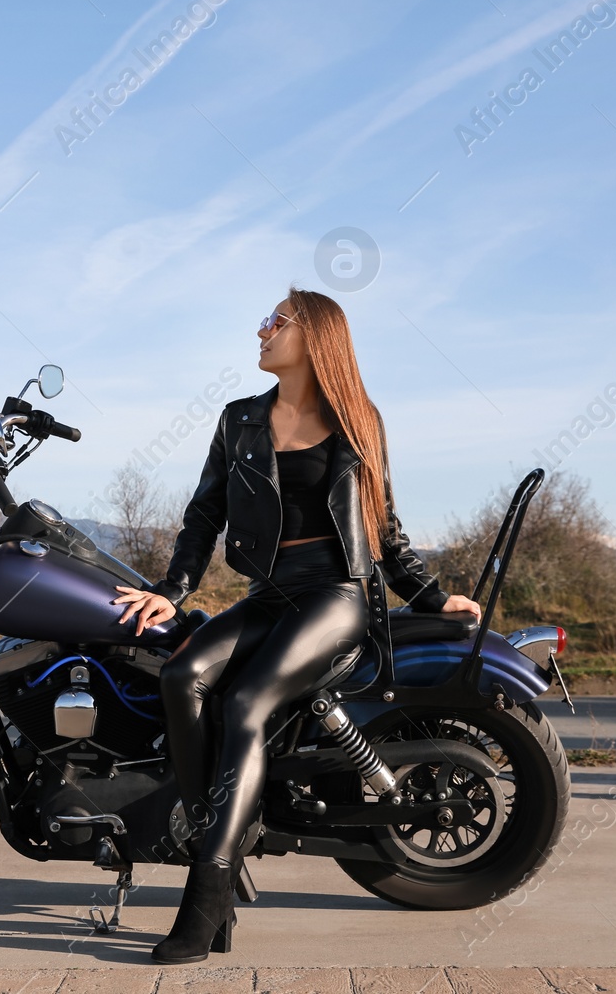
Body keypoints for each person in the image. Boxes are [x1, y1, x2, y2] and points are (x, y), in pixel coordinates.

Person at [111, 287, 482, 965]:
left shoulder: (357, 420)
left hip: (335, 595)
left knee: (250, 700)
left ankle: (204, 898)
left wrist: (431, 597)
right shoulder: (239, 420)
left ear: (314, 337)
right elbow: (203, 515)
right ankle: (213, 835)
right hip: (269, 594)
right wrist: (172, 589)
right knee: (182, 674)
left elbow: (383, 527)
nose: (261, 330)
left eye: (275, 321)